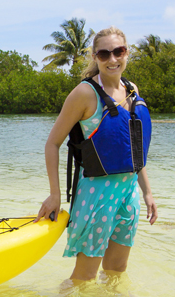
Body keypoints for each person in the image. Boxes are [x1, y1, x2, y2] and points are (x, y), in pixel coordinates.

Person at [36, 26, 158, 282]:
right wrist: (55, 194)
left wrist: (147, 192)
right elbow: (52, 144)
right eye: (104, 54)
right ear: (94, 56)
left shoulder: (132, 89)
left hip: (128, 194)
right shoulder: (85, 94)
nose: (112, 59)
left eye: (118, 51)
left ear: (127, 53)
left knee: (116, 270)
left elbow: (132, 148)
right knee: (85, 277)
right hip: (96, 196)